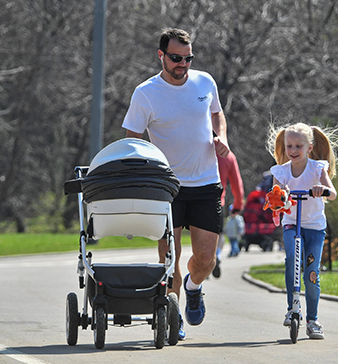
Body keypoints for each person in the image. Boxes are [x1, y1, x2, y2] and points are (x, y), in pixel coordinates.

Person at [121, 28, 230, 340]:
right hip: (166, 187)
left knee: (206, 259)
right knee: (169, 260)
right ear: (161, 56)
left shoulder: (205, 81)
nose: (183, 64)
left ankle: (194, 287)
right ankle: (173, 315)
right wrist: (140, 177)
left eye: (188, 58)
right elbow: (133, 141)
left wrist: (220, 136)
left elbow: (217, 115)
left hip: (207, 183)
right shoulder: (145, 93)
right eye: (176, 58)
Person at [266, 122, 338, 340]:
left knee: (311, 272)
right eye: (289, 146)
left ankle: (313, 319)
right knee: (291, 261)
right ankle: (292, 308)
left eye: (299, 146)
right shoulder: (280, 171)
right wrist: (281, 194)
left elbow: (333, 193)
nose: (293, 150)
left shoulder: (318, 168)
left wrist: (322, 189)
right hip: (291, 224)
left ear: (309, 147)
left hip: (314, 227)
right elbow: (274, 196)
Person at [213, 150, 244, 277]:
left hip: (194, 201)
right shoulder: (228, 155)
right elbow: (237, 185)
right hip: (216, 202)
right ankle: (217, 254)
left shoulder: (197, 147)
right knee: (219, 235)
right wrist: (237, 206)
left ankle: (203, 262)